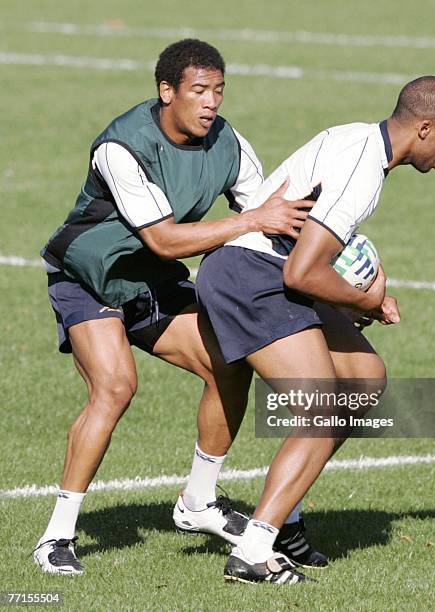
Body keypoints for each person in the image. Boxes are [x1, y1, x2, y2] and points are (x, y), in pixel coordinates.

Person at [33, 39, 314, 575]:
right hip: (89, 279)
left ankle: (198, 505)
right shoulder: (123, 145)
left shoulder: (229, 143)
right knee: (115, 388)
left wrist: (333, 278)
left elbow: (270, 219)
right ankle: (56, 536)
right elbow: (164, 239)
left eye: (219, 90)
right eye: (199, 90)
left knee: (230, 363)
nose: (211, 102)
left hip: (153, 283)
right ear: (167, 92)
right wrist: (254, 221)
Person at [196, 76, 435, 584]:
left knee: (364, 376)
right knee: (324, 407)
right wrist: (366, 298)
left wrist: (349, 303)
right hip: (248, 276)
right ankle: (254, 550)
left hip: (267, 272)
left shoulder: (357, 137)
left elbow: (304, 260)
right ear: (426, 128)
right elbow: (301, 271)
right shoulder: (362, 172)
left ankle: (287, 522)